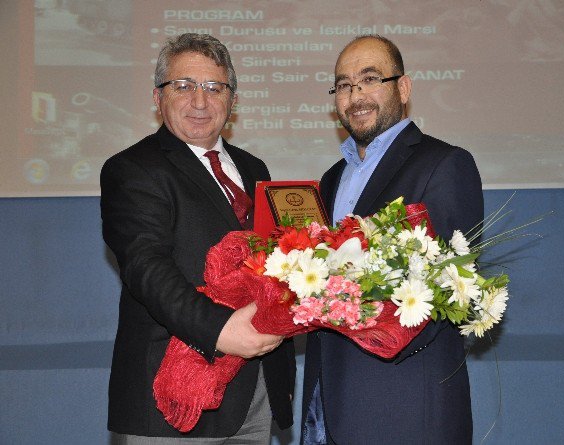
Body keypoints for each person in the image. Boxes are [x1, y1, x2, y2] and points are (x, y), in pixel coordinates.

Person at [100, 33, 295, 443]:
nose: (200, 102)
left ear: (233, 99)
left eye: (214, 87)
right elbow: (145, 266)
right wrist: (221, 330)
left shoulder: (254, 167)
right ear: (158, 97)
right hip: (171, 398)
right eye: (184, 86)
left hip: (257, 390)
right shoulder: (132, 169)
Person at [301, 35, 484, 445]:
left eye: (370, 79)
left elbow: (448, 294)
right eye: (344, 85)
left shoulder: (444, 164)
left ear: (403, 88)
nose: (356, 95)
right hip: (328, 407)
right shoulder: (331, 179)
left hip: (403, 410)